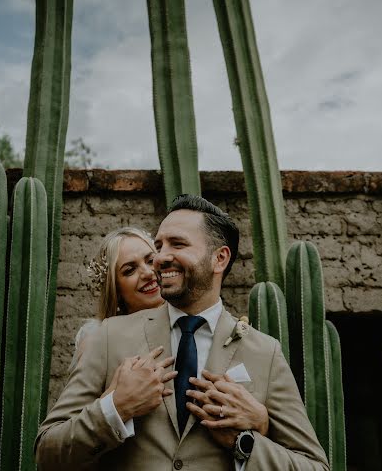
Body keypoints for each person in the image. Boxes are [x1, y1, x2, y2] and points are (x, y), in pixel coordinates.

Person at [35, 195, 329, 470]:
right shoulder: (110, 336)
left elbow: (315, 465)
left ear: (220, 259)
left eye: (177, 244)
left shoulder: (265, 352)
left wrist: (245, 443)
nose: (160, 258)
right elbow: (47, 453)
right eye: (159, 245)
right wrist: (115, 408)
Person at [70, 226, 164, 369]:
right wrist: (118, 390)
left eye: (150, 260)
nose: (148, 273)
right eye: (130, 270)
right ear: (115, 289)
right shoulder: (97, 339)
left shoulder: (192, 322)